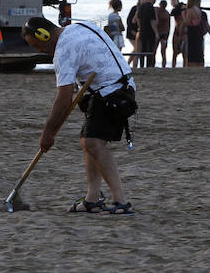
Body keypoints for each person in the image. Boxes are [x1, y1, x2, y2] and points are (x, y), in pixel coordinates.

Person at [22, 16, 136, 214]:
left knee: (93, 142)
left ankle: (121, 202)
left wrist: (48, 133)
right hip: (111, 87)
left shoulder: (63, 50)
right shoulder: (79, 27)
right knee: (87, 140)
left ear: (44, 35)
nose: (38, 50)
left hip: (113, 93)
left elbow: (64, 96)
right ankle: (92, 199)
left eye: (36, 45)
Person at [184, 0, 210, 67]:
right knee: (199, 51)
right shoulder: (200, 12)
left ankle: (192, 65)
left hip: (193, 32)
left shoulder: (190, 10)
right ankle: (199, 65)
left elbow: (188, 22)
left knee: (192, 51)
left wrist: (183, 17)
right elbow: (207, 25)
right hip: (199, 33)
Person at [136, 0, 158, 67]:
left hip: (142, 30)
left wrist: (140, 27)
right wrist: (156, 33)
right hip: (150, 31)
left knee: (143, 50)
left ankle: (141, 65)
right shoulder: (151, 7)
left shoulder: (142, 6)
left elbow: (138, 18)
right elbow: (152, 21)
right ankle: (149, 66)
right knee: (150, 49)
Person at [125, 0, 143, 68]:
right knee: (136, 49)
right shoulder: (135, 8)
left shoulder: (145, 9)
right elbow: (130, 21)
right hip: (131, 32)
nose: (143, 1)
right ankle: (129, 64)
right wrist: (132, 30)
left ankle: (129, 64)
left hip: (139, 32)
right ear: (139, 0)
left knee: (136, 49)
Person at [169, 0, 186, 67]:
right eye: (171, 1)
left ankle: (185, 66)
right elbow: (171, 14)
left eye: (174, 0)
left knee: (184, 52)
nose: (173, 2)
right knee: (175, 51)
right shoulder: (174, 10)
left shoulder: (183, 7)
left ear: (177, 1)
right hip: (176, 30)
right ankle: (173, 66)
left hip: (183, 31)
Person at [155, 0, 171, 68]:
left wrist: (167, 36)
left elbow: (168, 25)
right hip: (161, 33)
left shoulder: (165, 13)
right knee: (157, 50)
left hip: (163, 33)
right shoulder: (158, 11)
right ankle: (156, 65)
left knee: (162, 51)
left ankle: (163, 66)